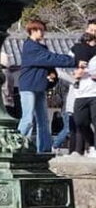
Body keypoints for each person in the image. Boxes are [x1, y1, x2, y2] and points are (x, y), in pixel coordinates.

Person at [17, 20, 75, 153]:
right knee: (28, 119)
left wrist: (52, 75)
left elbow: (49, 64)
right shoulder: (30, 47)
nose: (43, 33)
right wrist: (73, 61)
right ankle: (18, 144)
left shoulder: (40, 48)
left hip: (40, 86)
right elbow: (50, 59)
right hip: (28, 87)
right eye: (40, 30)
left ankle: (44, 148)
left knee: (43, 120)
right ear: (33, 31)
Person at [55, 57, 90, 154]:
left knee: (77, 130)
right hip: (71, 109)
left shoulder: (86, 81)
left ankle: (78, 151)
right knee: (72, 130)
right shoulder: (72, 81)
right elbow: (59, 72)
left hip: (79, 108)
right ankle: (70, 150)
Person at [72, 57, 96, 157]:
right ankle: (91, 143)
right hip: (80, 95)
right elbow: (63, 71)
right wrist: (75, 75)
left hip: (94, 93)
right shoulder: (75, 53)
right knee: (80, 122)